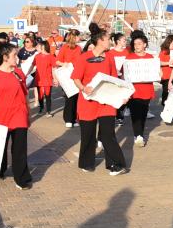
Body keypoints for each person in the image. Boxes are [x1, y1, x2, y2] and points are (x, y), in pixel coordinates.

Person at [71, 27, 128, 176]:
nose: (110, 41)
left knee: (108, 134)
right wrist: (83, 88)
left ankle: (116, 164)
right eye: (108, 39)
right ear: (100, 41)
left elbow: (115, 79)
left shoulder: (109, 57)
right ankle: (86, 162)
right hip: (88, 101)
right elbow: (76, 78)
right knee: (88, 134)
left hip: (106, 101)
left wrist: (122, 95)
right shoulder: (84, 57)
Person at [0, 43, 33, 190]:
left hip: (19, 116)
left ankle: (22, 179)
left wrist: (28, 113)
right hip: (1, 118)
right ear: (5, 57)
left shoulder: (19, 73)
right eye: (14, 55)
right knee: (0, 148)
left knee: (20, 149)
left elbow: (25, 94)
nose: (17, 58)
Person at [125, 33, 156, 146]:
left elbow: (155, 72)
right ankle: (138, 135)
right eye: (135, 44)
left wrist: (159, 73)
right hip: (134, 90)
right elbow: (125, 74)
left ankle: (139, 134)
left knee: (143, 113)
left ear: (144, 45)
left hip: (147, 89)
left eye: (139, 44)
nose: (137, 46)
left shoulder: (150, 57)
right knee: (135, 114)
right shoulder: (129, 57)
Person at [57, 29, 83, 127]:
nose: (79, 38)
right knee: (69, 97)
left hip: (76, 74)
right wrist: (65, 64)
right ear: (75, 37)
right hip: (67, 75)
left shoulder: (79, 48)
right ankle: (68, 119)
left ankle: (74, 118)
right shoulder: (64, 47)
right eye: (78, 36)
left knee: (76, 97)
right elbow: (57, 61)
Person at [32, 39, 57, 116]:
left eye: (38, 46)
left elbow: (54, 68)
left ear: (43, 47)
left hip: (47, 79)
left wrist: (55, 79)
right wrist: (26, 74)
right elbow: (32, 66)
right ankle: (41, 108)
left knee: (48, 95)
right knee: (40, 96)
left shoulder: (51, 57)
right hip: (38, 79)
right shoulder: (36, 56)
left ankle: (48, 111)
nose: (37, 47)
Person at [158, 34, 173, 106]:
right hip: (166, 74)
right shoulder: (164, 51)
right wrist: (168, 63)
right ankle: (164, 102)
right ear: (170, 41)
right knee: (166, 90)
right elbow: (159, 62)